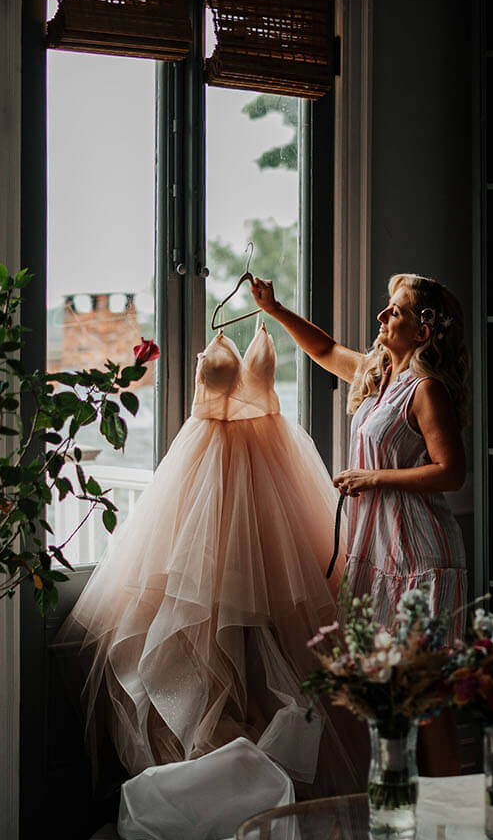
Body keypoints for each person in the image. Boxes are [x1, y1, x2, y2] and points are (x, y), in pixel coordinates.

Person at [55, 321, 363, 799]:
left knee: (278, 638)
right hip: (203, 479)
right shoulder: (214, 331)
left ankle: (272, 779)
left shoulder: (265, 328)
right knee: (198, 630)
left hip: (268, 480)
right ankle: (209, 779)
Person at [251, 271, 471, 775]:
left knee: (427, 702)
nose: (381, 316)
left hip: (421, 559)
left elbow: (452, 472)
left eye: (395, 311)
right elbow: (326, 351)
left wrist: (375, 479)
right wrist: (275, 309)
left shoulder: (426, 390)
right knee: (386, 699)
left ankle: (448, 828)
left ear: (422, 332)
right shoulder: (377, 375)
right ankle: (402, 817)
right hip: (375, 555)